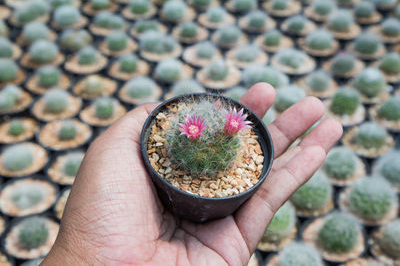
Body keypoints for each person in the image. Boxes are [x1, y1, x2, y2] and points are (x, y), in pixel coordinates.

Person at [42, 83, 342, 266]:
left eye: (195, 129)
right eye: (193, 129)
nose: (195, 131)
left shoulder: (233, 133)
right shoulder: (184, 132)